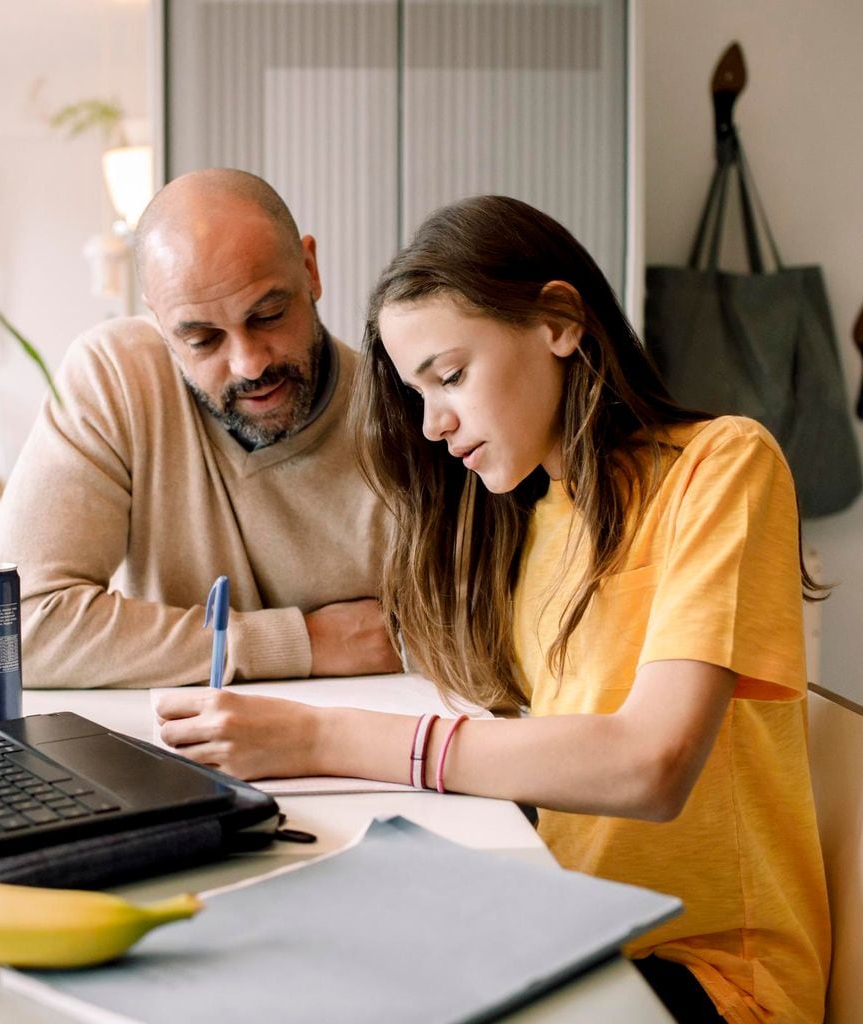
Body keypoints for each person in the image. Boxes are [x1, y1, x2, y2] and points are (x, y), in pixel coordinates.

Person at [156, 196, 831, 1023]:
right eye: (416, 394)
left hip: (712, 976)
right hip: (567, 929)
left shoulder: (722, 467)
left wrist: (322, 737)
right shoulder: (532, 517)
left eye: (449, 376)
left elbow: (650, 765)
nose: (435, 424)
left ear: (558, 321)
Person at [0, 169, 399, 688]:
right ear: (161, 322)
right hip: (169, 752)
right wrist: (303, 643)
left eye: (269, 315)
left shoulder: (411, 421)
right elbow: (13, 630)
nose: (249, 364)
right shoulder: (117, 376)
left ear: (310, 269)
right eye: (203, 339)